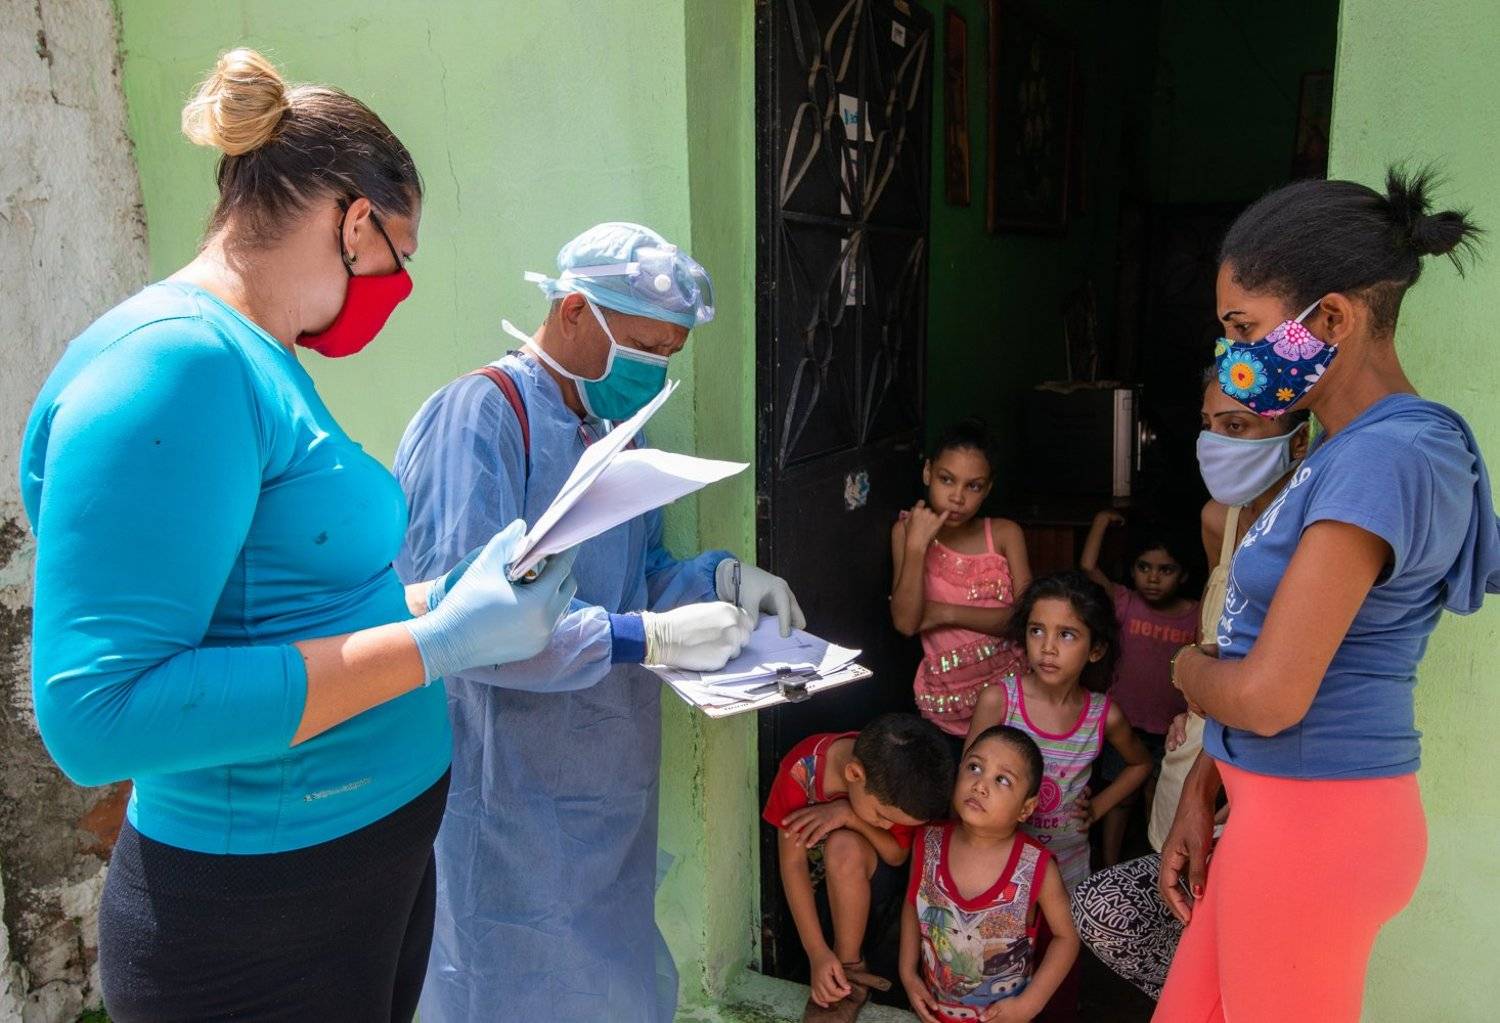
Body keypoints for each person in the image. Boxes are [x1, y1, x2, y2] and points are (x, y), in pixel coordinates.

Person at [18, 49, 576, 1022]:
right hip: (259, 919)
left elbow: (283, 605)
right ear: (355, 223)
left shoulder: (258, 357)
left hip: (353, 877)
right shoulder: (174, 365)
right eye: (400, 254)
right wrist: (436, 643)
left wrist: (443, 600)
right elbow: (98, 716)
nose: (398, 287)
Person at [394, 221, 804, 1023]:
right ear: (574, 310)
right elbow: (461, 624)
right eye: (645, 347)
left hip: (605, 779)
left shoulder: (615, 429)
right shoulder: (480, 418)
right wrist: (642, 638)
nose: (655, 370)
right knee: (502, 982)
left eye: (671, 354)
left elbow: (635, 575)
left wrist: (719, 578)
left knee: (608, 974)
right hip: (504, 784)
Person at [1157, 168, 1500, 1021]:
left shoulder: (1387, 457)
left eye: (1245, 328)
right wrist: (1205, 786)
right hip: (1278, 811)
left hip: (1316, 826)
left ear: (1333, 319)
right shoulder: (1342, 451)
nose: (1234, 355)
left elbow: (1269, 693)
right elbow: (1272, 646)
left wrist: (1187, 671)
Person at [1069, 376, 1309, 999]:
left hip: (1252, 777)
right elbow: (1215, 634)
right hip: (1191, 759)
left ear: (1297, 440)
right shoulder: (1216, 520)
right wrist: (1190, 696)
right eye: (1209, 425)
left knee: (1230, 947)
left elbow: (1275, 682)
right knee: (1175, 918)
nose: (1215, 443)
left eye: (1237, 426)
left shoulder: (1317, 539)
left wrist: (1191, 673)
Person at [965, 572, 1152, 894]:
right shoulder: (1000, 701)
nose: (1047, 648)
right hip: (998, 860)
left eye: (1066, 635)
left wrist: (1099, 806)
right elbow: (966, 778)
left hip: (1067, 863)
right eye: (1036, 630)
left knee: (1062, 925)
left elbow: (1142, 763)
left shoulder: (1102, 715)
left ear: (1096, 649)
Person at [764, 713, 954, 1016]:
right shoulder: (802, 771)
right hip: (822, 893)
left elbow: (897, 855)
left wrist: (850, 815)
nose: (886, 825)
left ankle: (849, 967)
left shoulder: (899, 786)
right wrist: (816, 953)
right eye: (882, 817)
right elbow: (792, 864)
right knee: (842, 846)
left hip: (886, 891)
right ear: (854, 773)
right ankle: (833, 967)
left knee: (844, 845)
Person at [901, 725, 1079, 1023]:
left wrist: (1029, 1005)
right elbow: (912, 904)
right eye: (974, 767)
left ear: (1026, 808)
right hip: (931, 1011)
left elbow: (1066, 938)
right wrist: (907, 973)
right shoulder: (928, 842)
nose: (980, 785)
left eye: (1002, 780)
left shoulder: (1035, 866)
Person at [891, 418, 1031, 750]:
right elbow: (906, 623)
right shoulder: (905, 533)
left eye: (974, 486)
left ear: (988, 488)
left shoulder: (1005, 534)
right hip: (946, 706)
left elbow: (1026, 620)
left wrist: (942, 612)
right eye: (946, 479)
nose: (957, 497)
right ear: (928, 472)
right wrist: (916, 546)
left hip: (1013, 699)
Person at [1079, 515, 1199, 866]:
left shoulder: (1196, 616)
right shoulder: (1125, 603)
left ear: (1184, 575)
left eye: (1166, 570)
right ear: (1132, 570)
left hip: (1171, 729)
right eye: (1144, 567)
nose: (1153, 577)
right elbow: (1088, 567)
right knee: (1119, 798)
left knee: (1160, 798)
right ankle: (1109, 865)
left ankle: (1153, 866)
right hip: (1125, 726)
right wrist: (1100, 521)